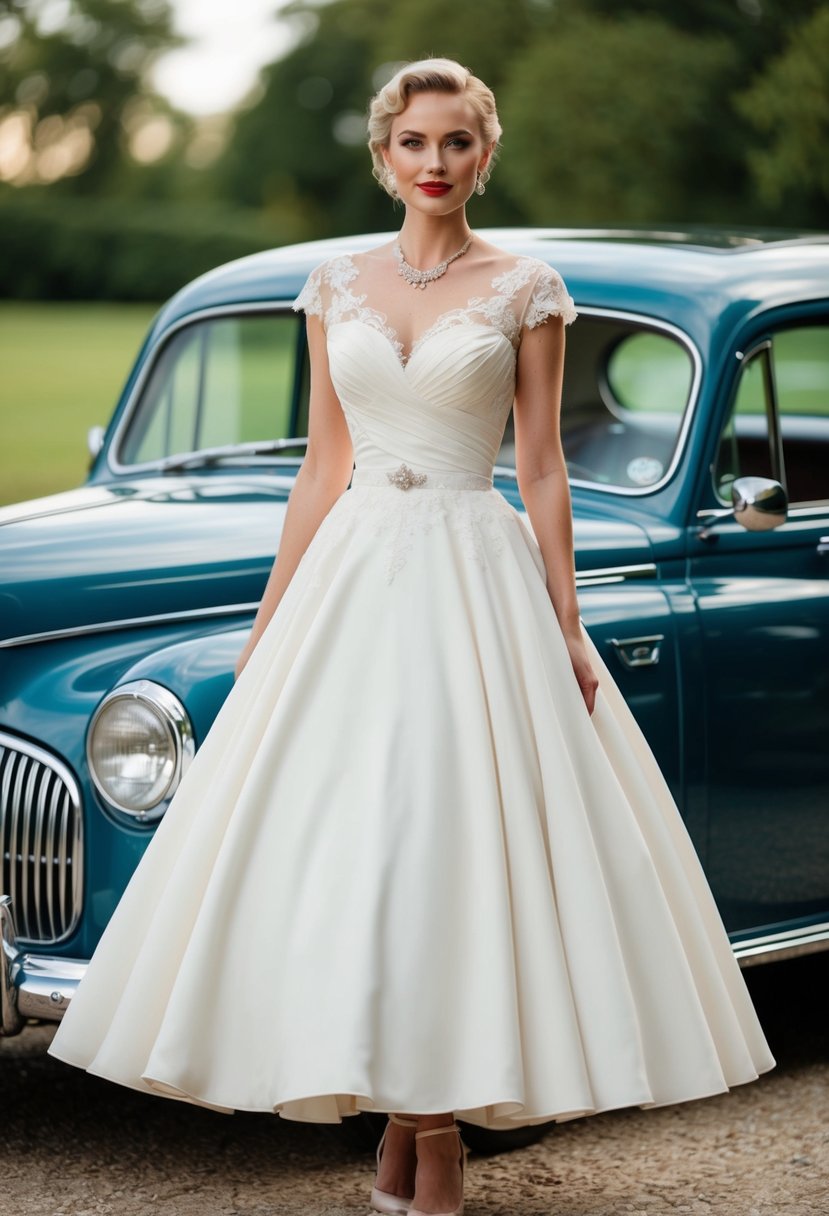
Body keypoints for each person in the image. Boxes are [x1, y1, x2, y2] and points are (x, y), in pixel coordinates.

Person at [49, 57, 774, 1216]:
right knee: (359, 852)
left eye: (455, 142)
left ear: (485, 153)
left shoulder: (527, 287)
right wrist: (270, 619)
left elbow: (541, 468)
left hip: (470, 573)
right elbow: (318, 467)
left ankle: (428, 1139)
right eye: (413, 143)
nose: (433, 164)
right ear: (382, 156)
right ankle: (406, 1125)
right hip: (351, 575)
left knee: (450, 844)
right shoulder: (331, 286)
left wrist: (567, 624)